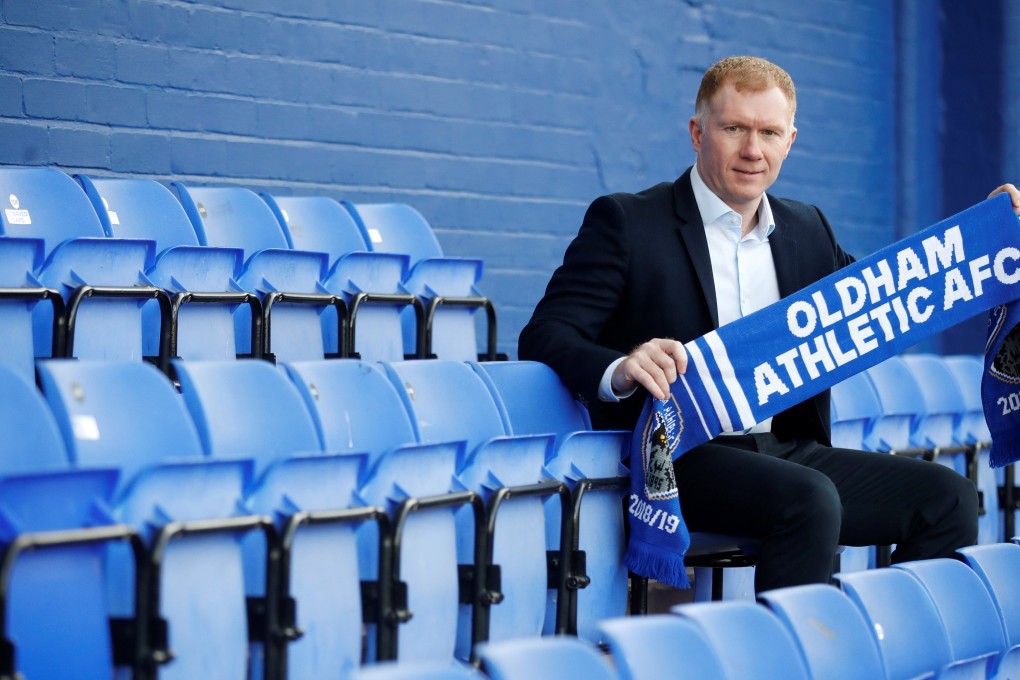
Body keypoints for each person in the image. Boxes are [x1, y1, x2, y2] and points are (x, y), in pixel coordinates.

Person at [519, 55, 1020, 592]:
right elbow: (546, 333)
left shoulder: (808, 227)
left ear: (790, 141)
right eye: (734, 128)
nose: (752, 150)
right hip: (682, 453)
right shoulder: (627, 221)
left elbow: (892, 292)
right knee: (808, 498)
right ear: (697, 131)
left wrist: (983, 237)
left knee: (948, 498)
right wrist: (621, 367)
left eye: (769, 132)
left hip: (786, 448)